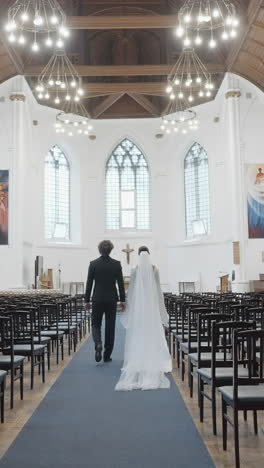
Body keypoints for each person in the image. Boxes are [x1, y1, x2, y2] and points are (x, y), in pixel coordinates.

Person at [115, 246, 172, 391]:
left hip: (139, 307)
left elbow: (132, 290)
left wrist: (128, 306)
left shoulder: (134, 269)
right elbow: (158, 290)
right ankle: (153, 359)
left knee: (139, 333)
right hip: (151, 306)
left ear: (139, 255)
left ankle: (138, 359)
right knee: (152, 332)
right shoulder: (155, 269)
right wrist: (161, 309)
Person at [85, 240, 126, 363]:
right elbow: (121, 284)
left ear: (99, 249)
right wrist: (122, 300)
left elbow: (89, 284)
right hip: (111, 299)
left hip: (97, 298)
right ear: (111, 250)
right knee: (110, 327)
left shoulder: (93, 264)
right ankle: (107, 355)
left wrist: (87, 300)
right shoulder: (116, 264)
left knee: (95, 324)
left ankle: (98, 343)